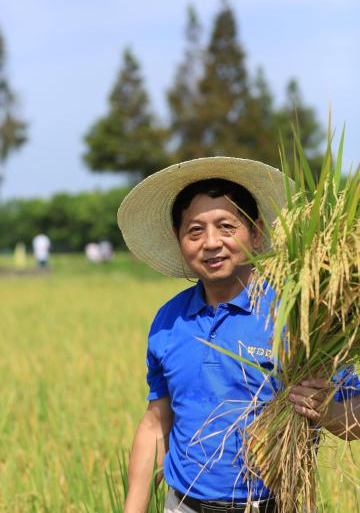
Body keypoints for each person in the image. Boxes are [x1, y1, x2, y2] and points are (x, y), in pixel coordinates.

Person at [117, 157, 360, 513]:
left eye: (226, 226)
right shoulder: (170, 320)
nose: (211, 242)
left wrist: (325, 411)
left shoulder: (296, 316)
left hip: (276, 504)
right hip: (183, 506)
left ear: (256, 233)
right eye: (194, 231)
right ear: (179, 241)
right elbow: (157, 421)